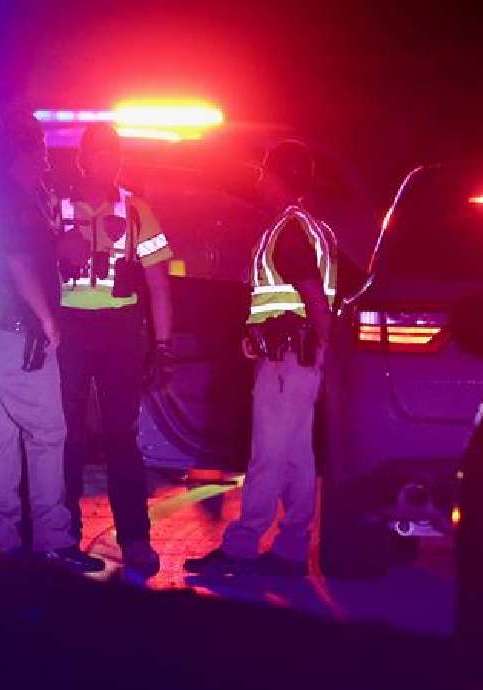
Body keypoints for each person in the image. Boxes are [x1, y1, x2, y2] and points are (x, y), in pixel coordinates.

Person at [0, 109, 104, 573]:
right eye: (41, 153)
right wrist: (46, 319)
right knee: (49, 434)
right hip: (18, 333)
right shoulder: (11, 193)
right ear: (27, 150)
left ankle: (2, 539)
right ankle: (54, 540)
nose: (45, 162)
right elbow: (18, 260)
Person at [184, 140, 337, 577]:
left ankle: (242, 547)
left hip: (287, 361)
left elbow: (312, 298)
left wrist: (321, 354)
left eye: (265, 171)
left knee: (268, 455)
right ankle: (291, 550)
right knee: (297, 457)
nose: (259, 178)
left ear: (278, 177)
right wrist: (323, 360)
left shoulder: (289, 230)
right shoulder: (313, 228)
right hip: (299, 361)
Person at [53, 123, 175, 577]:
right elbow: (31, 265)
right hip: (68, 330)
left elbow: (159, 284)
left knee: (123, 437)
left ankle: (136, 539)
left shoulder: (138, 210)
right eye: (99, 153)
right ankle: (63, 533)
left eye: (114, 154)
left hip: (120, 332)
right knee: (66, 436)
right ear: (83, 159)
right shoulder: (57, 208)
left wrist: (163, 346)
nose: (107, 162)